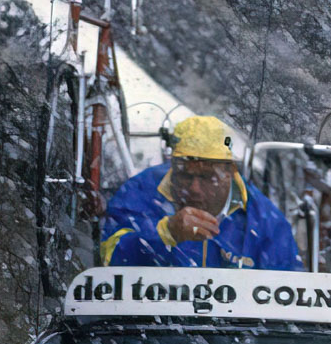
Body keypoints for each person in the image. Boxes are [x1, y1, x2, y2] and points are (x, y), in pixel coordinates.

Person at [100, 115, 302, 270]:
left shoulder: (266, 220)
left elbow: (287, 293)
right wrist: (165, 234)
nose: (194, 189)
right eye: (185, 175)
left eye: (207, 177)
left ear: (229, 173)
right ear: (172, 166)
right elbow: (108, 259)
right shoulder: (140, 191)